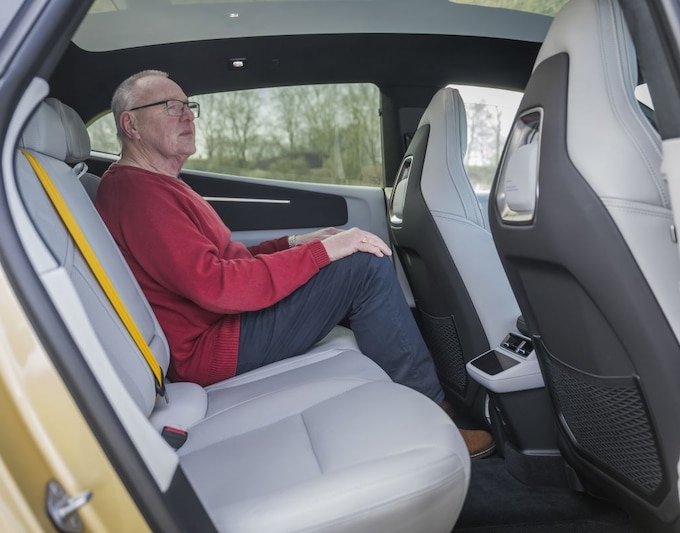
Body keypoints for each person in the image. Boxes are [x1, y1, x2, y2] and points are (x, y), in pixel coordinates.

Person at [94, 69, 494, 459]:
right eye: (170, 106)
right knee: (363, 268)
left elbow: (224, 261)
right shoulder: (138, 194)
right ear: (131, 124)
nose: (187, 115)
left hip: (222, 329)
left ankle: (409, 404)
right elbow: (218, 285)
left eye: (188, 106)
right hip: (211, 347)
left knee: (350, 260)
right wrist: (324, 253)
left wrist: (295, 242)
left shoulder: (157, 185)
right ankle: (431, 413)